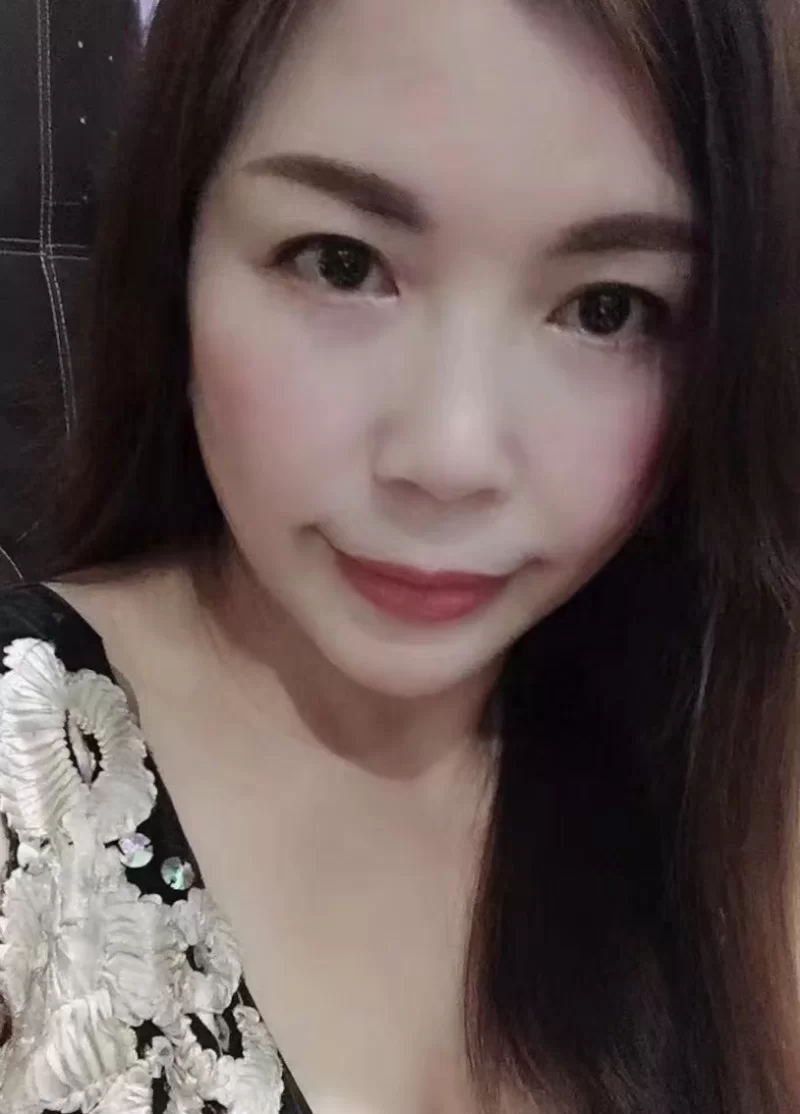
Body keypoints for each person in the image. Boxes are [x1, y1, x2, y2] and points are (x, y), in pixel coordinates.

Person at [1, 0, 799, 1110]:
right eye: (341, 263)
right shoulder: (27, 780)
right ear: (176, 250)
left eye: (606, 309)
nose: (449, 456)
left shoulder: (730, 772)